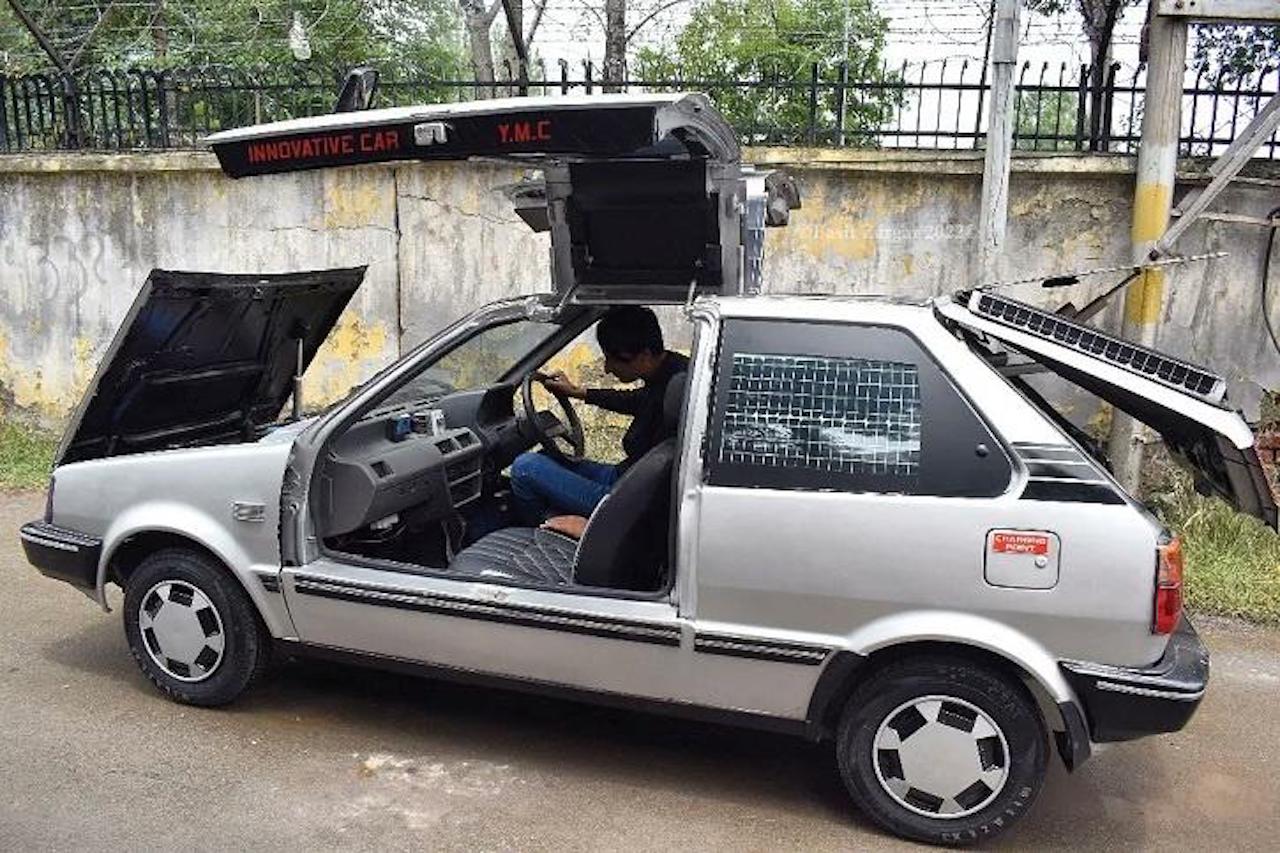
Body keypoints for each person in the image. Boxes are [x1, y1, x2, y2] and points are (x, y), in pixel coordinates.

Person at [510, 306, 688, 535]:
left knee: (525, 468)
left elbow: (653, 497)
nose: (606, 368)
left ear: (644, 355)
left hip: (623, 501)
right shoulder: (672, 372)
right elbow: (636, 400)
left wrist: (593, 530)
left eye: (613, 359)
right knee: (546, 457)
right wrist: (578, 392)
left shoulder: (677, 393)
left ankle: (545, 538)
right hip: (624, 477)